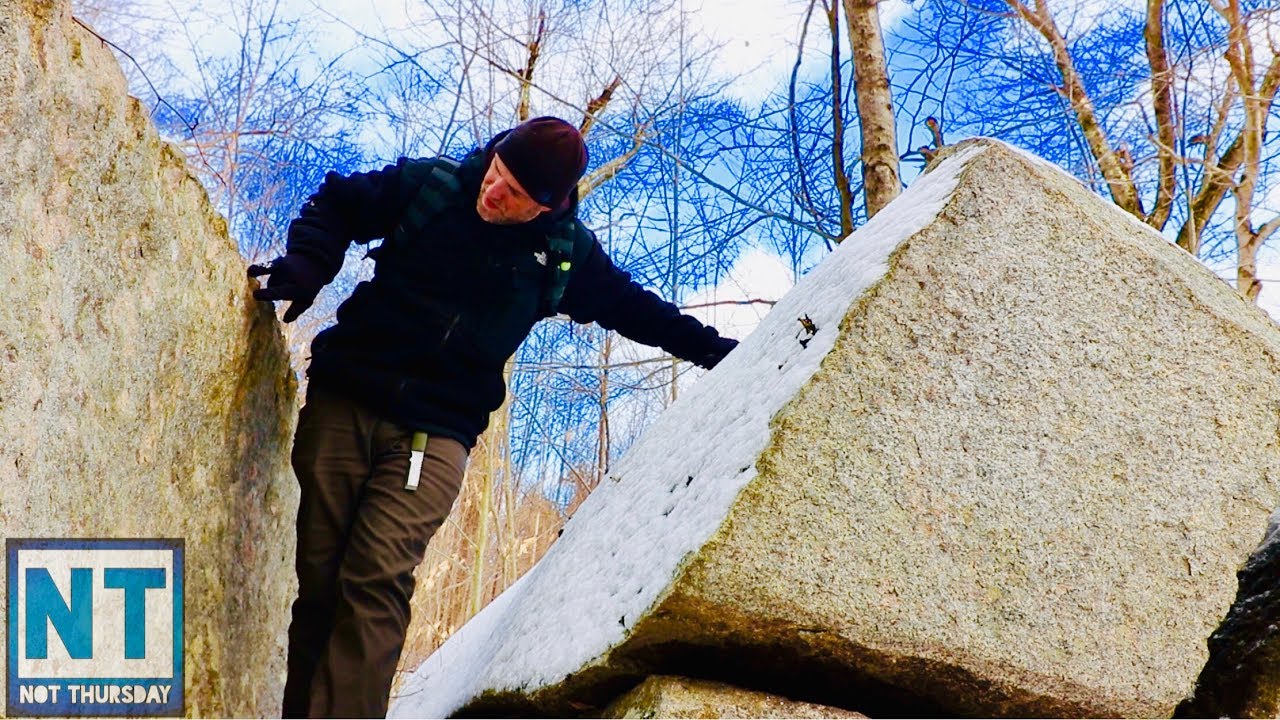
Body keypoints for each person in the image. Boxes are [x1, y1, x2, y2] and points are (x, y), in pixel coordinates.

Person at [247, 116, 738, 718]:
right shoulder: (432, 187)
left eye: (514, 192)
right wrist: (308, 263)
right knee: (322, 586)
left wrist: (719, 353)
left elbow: (637, 310)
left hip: (435, 433)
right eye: (496, 172)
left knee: (375, 583)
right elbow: (338, 205)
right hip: (345, 402)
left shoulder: (561, 256)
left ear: (546, 207)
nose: (493, 191)